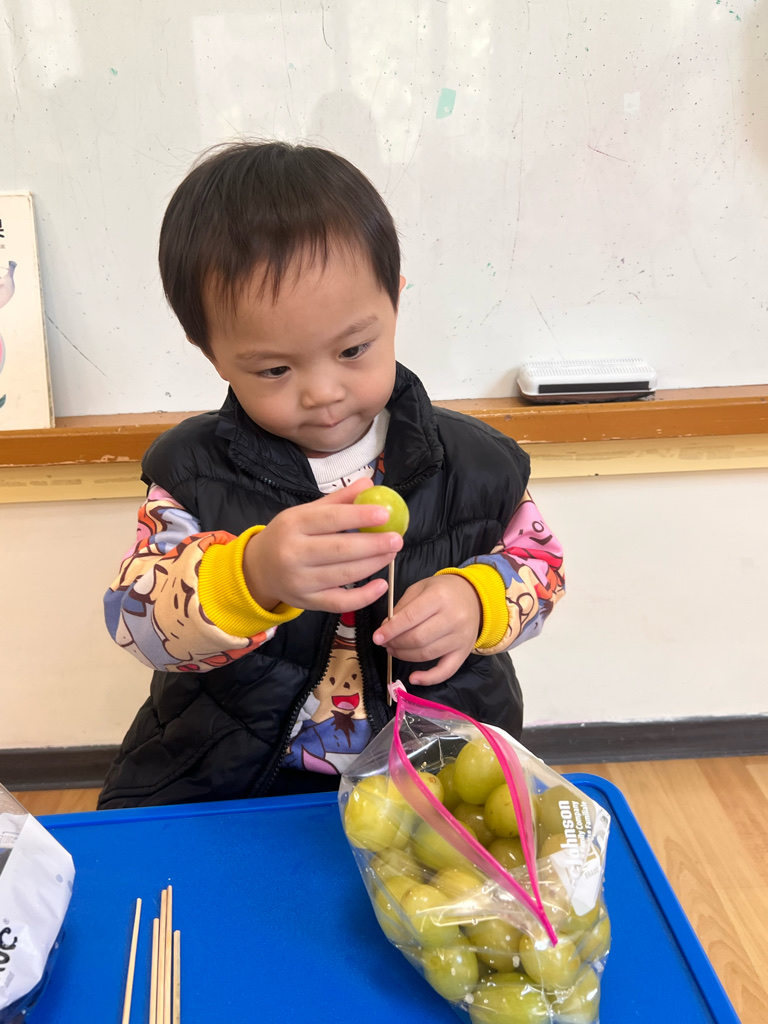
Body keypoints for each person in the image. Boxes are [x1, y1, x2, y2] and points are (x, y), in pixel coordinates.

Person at [99, 142, 565, 808]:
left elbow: (541, 567)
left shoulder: (476, 461)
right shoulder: (192, 471)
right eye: (275, 369)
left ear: (394, 302)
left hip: (433, 777)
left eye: (352, 349)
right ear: (213, 354)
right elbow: (136, 619)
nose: (322, 392)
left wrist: (478, 601)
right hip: (240, 781)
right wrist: (251, 575)